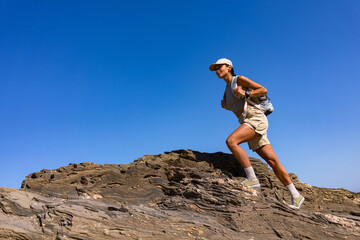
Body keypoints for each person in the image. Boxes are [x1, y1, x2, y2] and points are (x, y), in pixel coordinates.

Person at [209, 58, 305, 209]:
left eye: (219, 66)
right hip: (247, 122)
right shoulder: (226, 91)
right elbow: (237, 106)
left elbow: (263, 90)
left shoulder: (239, 79)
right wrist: (226, 106)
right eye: (215, 68)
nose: (217, 70)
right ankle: (296, 196)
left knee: (231, 142)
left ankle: (252, 179)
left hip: (255, 119)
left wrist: (246, 92)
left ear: (229, 67)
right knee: (273, 162)